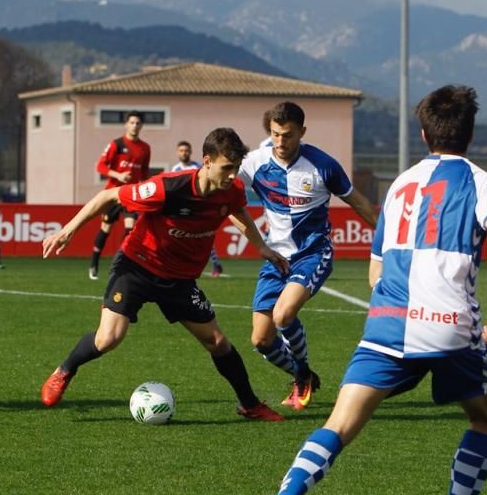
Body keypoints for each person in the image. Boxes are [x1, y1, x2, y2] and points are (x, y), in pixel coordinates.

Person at [235, 85, 487, 495]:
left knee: (338, 424)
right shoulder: (484, 183)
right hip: (449, 324)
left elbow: (375, 272)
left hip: (386, 322)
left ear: (424, 133)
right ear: (469, 134)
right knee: (486, 418)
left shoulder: (403, 183)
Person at [41, 128, 290, 422]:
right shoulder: (168, 188)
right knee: (109, 338)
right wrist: (68, 230)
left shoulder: (231, 190)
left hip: (180, 280)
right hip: (137, 267)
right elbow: (109, 195)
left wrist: (260, 246)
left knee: (218, 342)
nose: (232, 175)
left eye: (236, 168)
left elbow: (237, 210)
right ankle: (65, 370)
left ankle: (249, 404)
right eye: (226, 168)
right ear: (206, 161)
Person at [237, 101, 377, 411]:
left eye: (287, 135)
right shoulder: (254, 163)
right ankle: (303, 373)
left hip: (313, 254)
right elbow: (228, 201)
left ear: (302, 131)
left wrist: (390, 242)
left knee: (283, 315)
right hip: (275, 258)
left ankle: (301, 375)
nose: (281, 142)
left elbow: (360, 204)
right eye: (275, 134)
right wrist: (258, 242)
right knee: (260, 340)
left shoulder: (323, 165)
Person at [88, 111, 151, 280]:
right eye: (132, 122)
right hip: (113, 194)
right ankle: (94, 262)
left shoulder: (145, 148)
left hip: (131, 195)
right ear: (126, 124)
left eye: (138, 123)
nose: (135, 126)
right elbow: (100, 166)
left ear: (141, 126)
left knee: (130, 229)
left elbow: (144, 172)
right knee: (106, 229)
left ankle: (119, 262)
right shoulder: (116, 144)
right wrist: (118, 175)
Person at [170, 140, 225, 278]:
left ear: (190, 152)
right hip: (182, 209)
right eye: (181, 151)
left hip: (198, 207)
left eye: (186, 150)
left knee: (203, 236)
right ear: (177, 152)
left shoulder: (197, 166)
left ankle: (215, 263)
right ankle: (181, 267)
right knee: (181, 238)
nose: (184, 153)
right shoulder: (175, 169)